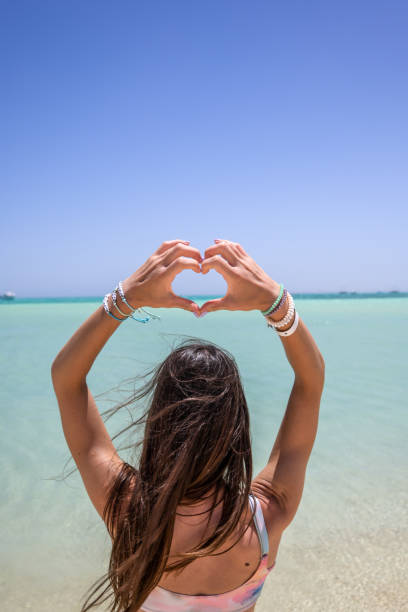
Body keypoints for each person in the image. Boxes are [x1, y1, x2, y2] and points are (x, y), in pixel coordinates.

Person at [51, 239, 325, 612]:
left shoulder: (128, 510)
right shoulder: (266, 516)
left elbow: (67, 379)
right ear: (236, 432)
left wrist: (126, 297)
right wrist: (274, 302)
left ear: (158, 423)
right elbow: (310, 382)